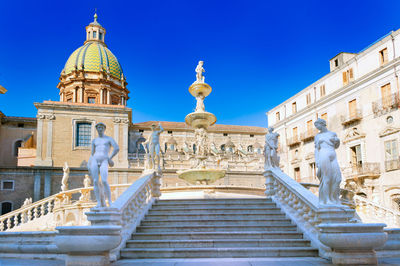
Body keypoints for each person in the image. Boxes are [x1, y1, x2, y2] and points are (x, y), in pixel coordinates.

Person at [88, 122, 119, 208]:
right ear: (96, 129)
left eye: (101, 128)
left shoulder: (109, 139)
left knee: (104, 181)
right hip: (94, 160)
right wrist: (88, 163)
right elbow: (92, 153)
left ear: (104, 129)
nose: (100, 129)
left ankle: (109, 201)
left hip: (104, 160)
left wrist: (110, 158)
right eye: (98, 128)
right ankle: (99, 202)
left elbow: (116, 148)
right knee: (95, 181)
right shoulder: (94, 141)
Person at [314, 118, 342, 206]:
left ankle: (334, 198)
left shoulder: (333, 134)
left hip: (333, 154)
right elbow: (316, 149)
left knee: (337, 178)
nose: (317, 127)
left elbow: (336, 146)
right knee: (327, 178)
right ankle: (326, 200)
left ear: (322, 124)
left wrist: (338, 141)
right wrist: (317, 161)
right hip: (323, 154)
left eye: (317, 125)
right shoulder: (317, 136)